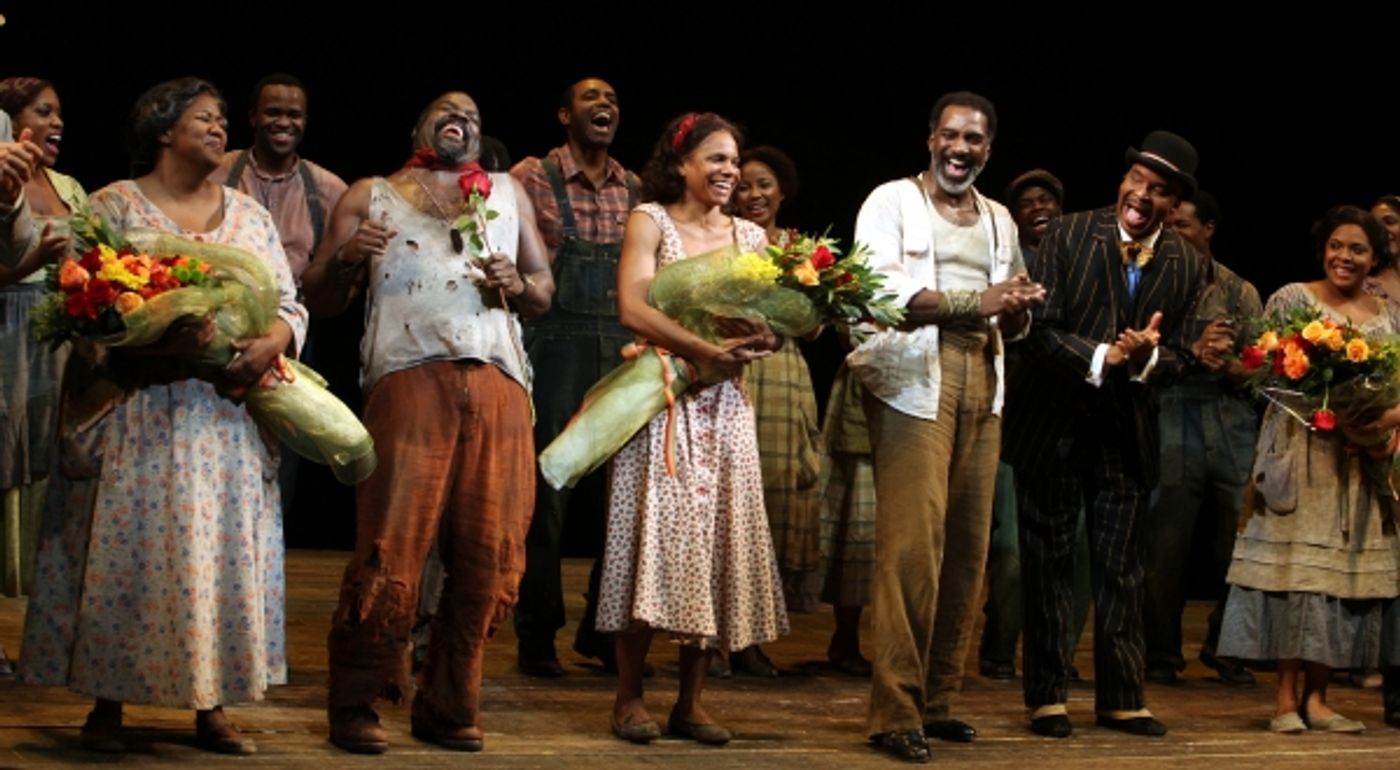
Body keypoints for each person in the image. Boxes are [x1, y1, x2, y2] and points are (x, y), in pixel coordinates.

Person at [13, 77, 306, 755]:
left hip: (224, 415)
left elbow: (290, 301)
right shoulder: (116, 205)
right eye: (204, 118)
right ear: (163, 129)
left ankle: (213, 704)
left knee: (219, 554)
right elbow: (83, 301)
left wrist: (275, 340)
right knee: (128, 552)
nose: (218, 127)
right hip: (140, 405)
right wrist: (149, 336)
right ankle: (107, 700)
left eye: (222, 118)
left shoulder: (250, 213)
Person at [301, 91, 553, 754]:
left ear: (478, 133)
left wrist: (519, 286)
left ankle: (449, 701)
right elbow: (319, 296)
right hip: (409, 375)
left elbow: (544, 288)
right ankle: (357, 698)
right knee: (393, 543)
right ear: (419, 127)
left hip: (496, 378)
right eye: (446, 109)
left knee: (490, 552)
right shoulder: (373, 193)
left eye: (472, 112)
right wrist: (351, 255)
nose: (460, 116)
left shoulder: (505, 192)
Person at [847, 91, 1042, 763]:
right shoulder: (891, 201)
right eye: (952, 136)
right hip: (913, 380)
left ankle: (937, 700)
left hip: (982, 377)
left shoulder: (998, 218)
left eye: (976, 141)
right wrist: (976, 301)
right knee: (912, 547)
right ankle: (894, 710)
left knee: (966, 547)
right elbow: (881, 294)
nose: (962, 149)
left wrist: (1016, 311)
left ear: (989, 150)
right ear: (931, 138)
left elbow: (1008, 305)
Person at [1004, 130, 1210, 739]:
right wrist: (1103, 357)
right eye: (1137, 182)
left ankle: (1122, 695)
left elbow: (1186, 354)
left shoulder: (1186, 262)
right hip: (1056, 423)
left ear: (1174, 205)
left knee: (1122, 568)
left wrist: (1147, 358)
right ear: (1123, 181)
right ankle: (1047, 696)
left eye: (1160, 191)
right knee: (1049, 561)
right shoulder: (1068, 234)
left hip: (1125, 432)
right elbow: (1039, 329)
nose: (1142, 197)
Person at [596, 111, 788, 747]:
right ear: (682, 164)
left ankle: (691, 701)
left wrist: (764, 335)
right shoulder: (650, 220)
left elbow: (765, 322)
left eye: (735, 160)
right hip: (664, 403)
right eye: (716, 159)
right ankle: (628, 696)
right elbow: (632, 306)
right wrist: (699, 351)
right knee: (650, 541)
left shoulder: (751, 239)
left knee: (712, 547)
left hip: (725, 410)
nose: (729, 171)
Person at [1217, 205, 1400, 734]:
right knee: (1294, 577)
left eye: (1358, 249)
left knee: (1337, 579)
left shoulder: (1385, 315)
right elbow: (1262, 371)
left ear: (1374, 258)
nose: (1345, 257)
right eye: (1337, 246)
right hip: (1299, 453)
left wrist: (1378, 422)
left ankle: (1319, 700)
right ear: (1323, 248)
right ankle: (1283, 701)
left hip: (1354, 463)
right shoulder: (1293, 299)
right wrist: (1317, 401)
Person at [508, 77, 638, 677]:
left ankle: (602, 629)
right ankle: (536, 633)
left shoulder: (635, 188)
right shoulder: (530, 177)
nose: (603, 105)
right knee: (547, 497)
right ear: (565, 114)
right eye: (590, 98)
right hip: (553, 347)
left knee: (621, 498)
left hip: (620, 350)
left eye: (610, 98)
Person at [1142, 191, 1260, 687]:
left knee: (1243, 542)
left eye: (1184, 225)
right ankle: (1162, 654)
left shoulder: (1238, 291)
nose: (1174, 232)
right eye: (1168, 225)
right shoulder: (1151, 281)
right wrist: (1188, 353)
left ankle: (1227, 645)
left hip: (1229, 416)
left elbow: (1266, 369)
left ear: (1208, 229)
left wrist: (1231, 364)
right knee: (1165, 543)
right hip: (1171, 408)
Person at [980, 168, 1092, 682]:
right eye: (1026, 201)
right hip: (1013, 418)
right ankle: (1000, 649)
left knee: (1078, 550)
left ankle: (1057, 656)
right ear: (1014, 216)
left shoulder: (1082, 263)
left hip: (1070, 419)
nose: (1038, 206)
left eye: (1047, 198)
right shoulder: (1002, 265)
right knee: (1010, 549)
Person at [731, 144, 821, 677]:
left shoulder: (797, 248)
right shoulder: (720, 241)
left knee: (775, 505)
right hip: (733, 368)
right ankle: (714, 640)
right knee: (733, 500)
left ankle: (750, 640)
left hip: (785, 377)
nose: (753, 194)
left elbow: (813, 325)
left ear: (781, 191)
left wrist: (786, 314)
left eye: (762, 184)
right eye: (743, 185)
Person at [0, 79, 84, 598]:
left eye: (59, 114)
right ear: (11, 122)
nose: (57, 123)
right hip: (7, 328)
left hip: (61, 337)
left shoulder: (69, 187)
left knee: (51, 452)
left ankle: (42, 592)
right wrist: (30, 264)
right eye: (44, 112)